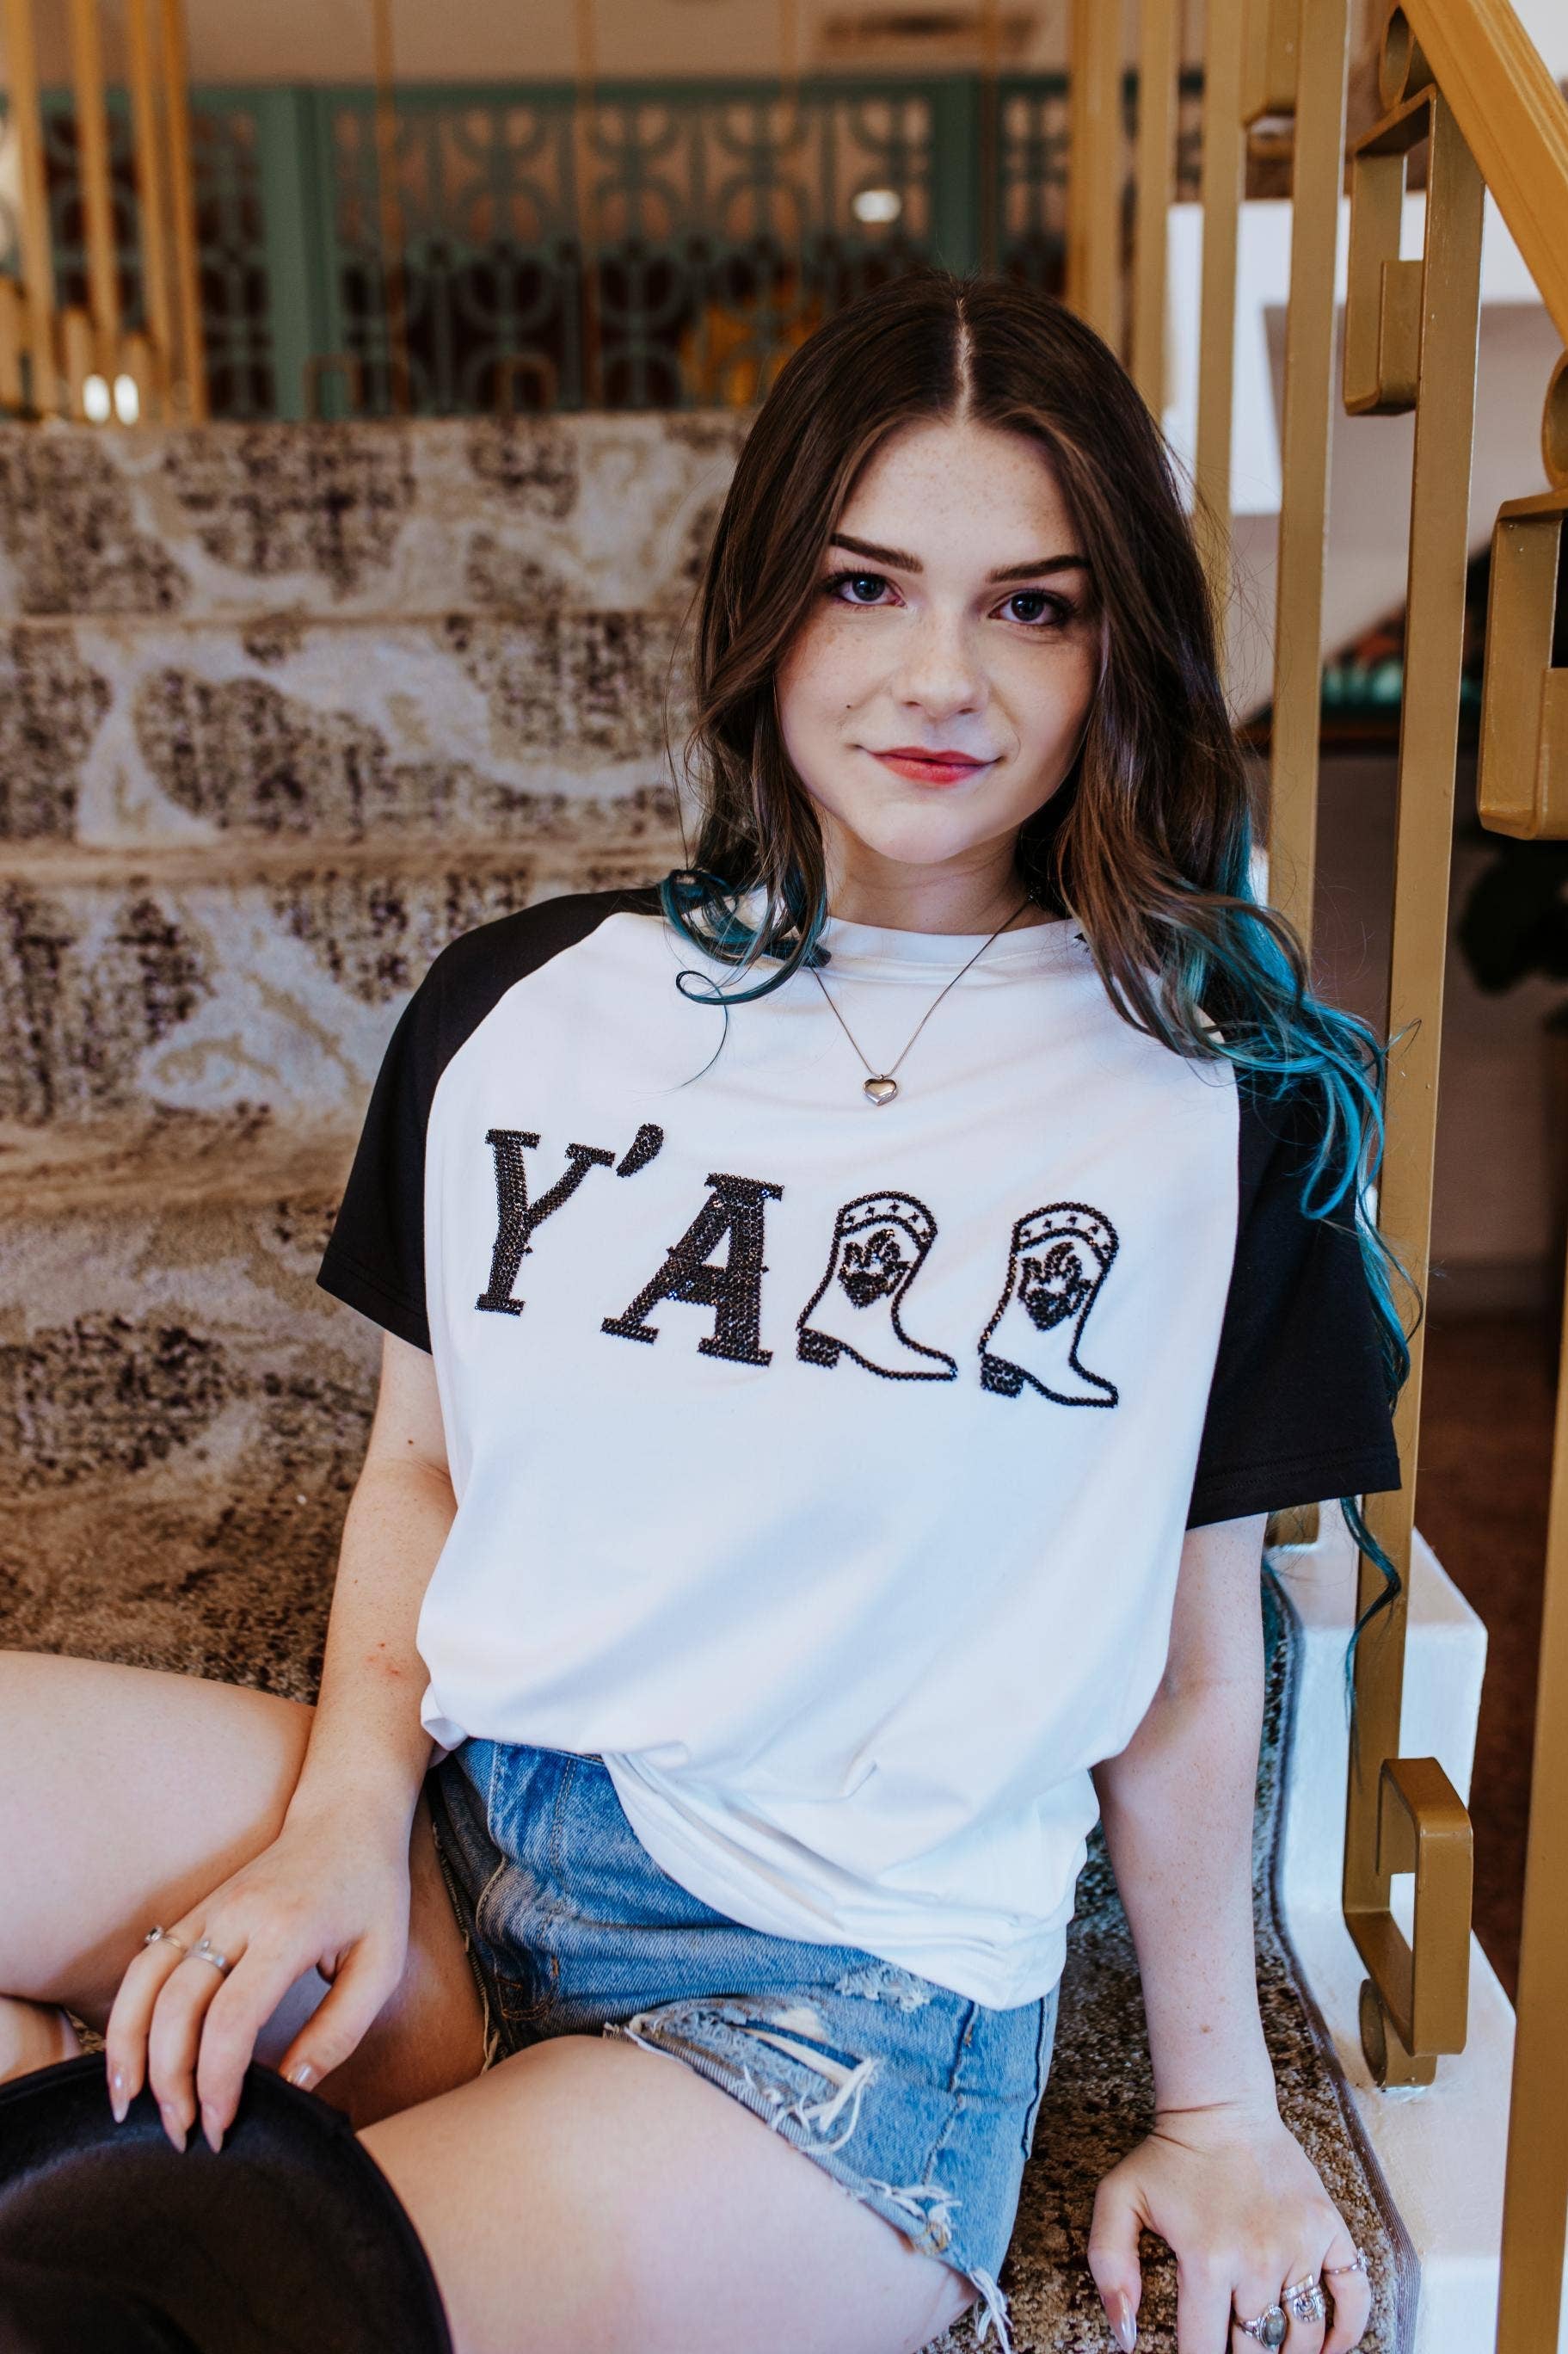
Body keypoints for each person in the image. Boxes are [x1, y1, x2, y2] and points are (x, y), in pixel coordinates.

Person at [0, 268, 1409, 2354]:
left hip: (829, 2015)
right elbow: (424, 1473)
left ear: (1118, 646)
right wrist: (340, 1826)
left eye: (1031, 606)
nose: (939, 675)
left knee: (217, 2305)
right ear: (768, 606)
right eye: (865, 585)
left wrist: (1218, 2106)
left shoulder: (1224, 1107)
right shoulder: (521, 1008)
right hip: (468, 1852)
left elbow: (1196, 1675)